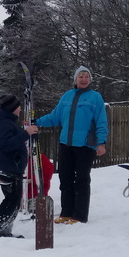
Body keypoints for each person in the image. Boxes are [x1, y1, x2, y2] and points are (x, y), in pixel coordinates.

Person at [35, 66, 108, 224]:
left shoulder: (95, 98)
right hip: (66, 144)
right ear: (75, 79)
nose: (84, 79)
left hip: (85, 146)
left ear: (90, 80)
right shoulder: (67, 96)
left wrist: (101, 142)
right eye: (81, 76)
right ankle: (66, 212)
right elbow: (54, 117)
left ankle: (79, 215)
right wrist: (37, 122)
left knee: (81, 180)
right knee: (65, 178)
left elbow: (101, 121)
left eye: (86, 76)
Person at [0, 94, 38, 240]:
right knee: (12, 200)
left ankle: (5, 231)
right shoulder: (5, 124)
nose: (20, 109)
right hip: (9, 169)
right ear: (12, 108)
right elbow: (7, 144)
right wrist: (25, 134)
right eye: (18, 106)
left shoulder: (8, 122)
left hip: (13, 168)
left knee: (15, 200)